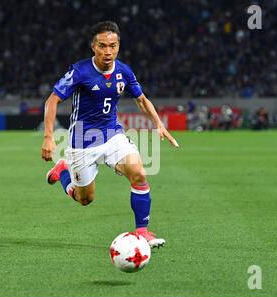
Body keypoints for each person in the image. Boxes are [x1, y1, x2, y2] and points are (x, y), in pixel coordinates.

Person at [41, 21, 179, 248]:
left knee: (139, 173)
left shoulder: (123, 71)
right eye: (102, 46)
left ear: (118, 46)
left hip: (112, 135)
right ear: (93, 46)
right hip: (82, 142)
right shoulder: (79, 71)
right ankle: (62, 171)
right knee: (85, 199)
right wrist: (48, 137)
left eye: (113, 46)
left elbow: (141, 100)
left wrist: (158, 123)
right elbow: (52, 100)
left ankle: (142, 232)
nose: (108, 51)